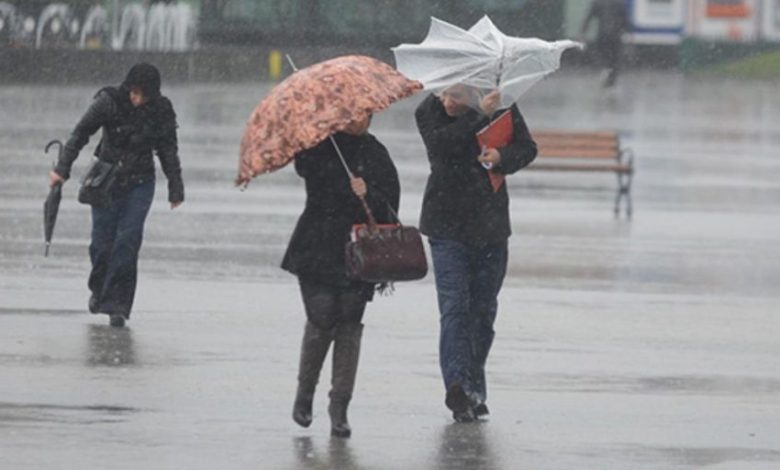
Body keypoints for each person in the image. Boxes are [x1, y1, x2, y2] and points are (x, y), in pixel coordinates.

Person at [415, 84, 537, 422]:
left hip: (490, 226)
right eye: (444, 94)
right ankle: (457, 386)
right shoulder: (428, 110)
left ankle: (473, 388)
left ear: (471, 89)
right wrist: (479, 115)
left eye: (455, 96)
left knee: (482, 313)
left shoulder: (502, 105)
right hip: (446, 226)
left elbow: (527, 148)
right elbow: (442, 146)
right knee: (455, 308)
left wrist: (502, 158)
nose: (447, 101)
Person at [282, 115, 400, 438]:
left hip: (359, 250)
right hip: (316, 245)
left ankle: (340, 406)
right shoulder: (320, 144)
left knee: (349, 322)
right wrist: (313, 134)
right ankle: (305, 393)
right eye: (353, 115)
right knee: (321, 317)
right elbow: (305, 167)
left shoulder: (375, 152)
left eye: (365, 115)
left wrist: (367, 192)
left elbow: (390, 206)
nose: (358, 120)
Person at [48, 63, 184, 328]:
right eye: (134, 92)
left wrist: (175, 186)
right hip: (105, 181)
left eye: (143, 95)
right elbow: (80, 133)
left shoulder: (161, 110)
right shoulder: (108, 101)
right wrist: (62, 170)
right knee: (102, 244)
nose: (137, 99)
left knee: (128, 241)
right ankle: (99, 289)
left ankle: (118, 305)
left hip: (141, 183)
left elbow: (168, 150)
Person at [581, 0, 629, 88]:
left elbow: (589, 16)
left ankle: (606, 71)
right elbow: (625, 19)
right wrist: (627, 31)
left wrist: (583, 30)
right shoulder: (619, 2)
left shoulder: (599, 2)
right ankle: (611, 79)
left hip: (603, 34)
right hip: (616, 35)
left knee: (604, 55)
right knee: (615, 58)